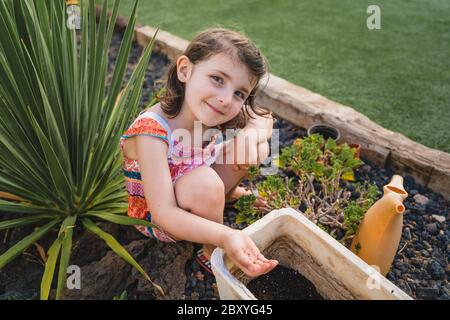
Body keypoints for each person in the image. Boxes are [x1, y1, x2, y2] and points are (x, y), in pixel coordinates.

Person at [119, 27, 278, 277]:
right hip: (161, 217)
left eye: (239, 93)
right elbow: (163, 213)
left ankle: (223, 195)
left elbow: (264, 117)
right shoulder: (151, 131)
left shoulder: (208, 106)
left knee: (257, 146)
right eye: (218, 79)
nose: (226, 99)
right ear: (185, 70)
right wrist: (226, 235)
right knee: (206, 184)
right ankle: (210, 252)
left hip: (195, 184)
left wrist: (248, 139)